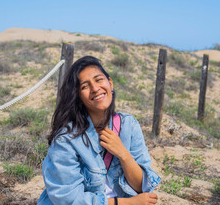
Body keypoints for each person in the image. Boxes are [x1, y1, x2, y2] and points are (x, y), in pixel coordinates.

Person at [38, 56, 161, 205]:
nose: (95, 89)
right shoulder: (67, 139)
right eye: (85, 86)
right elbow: (69, 199)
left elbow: (142, 186)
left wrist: (123, 154)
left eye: (99, 80)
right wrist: (126, 203)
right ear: (78, 97)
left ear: (110, 83)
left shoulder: (129, 125)